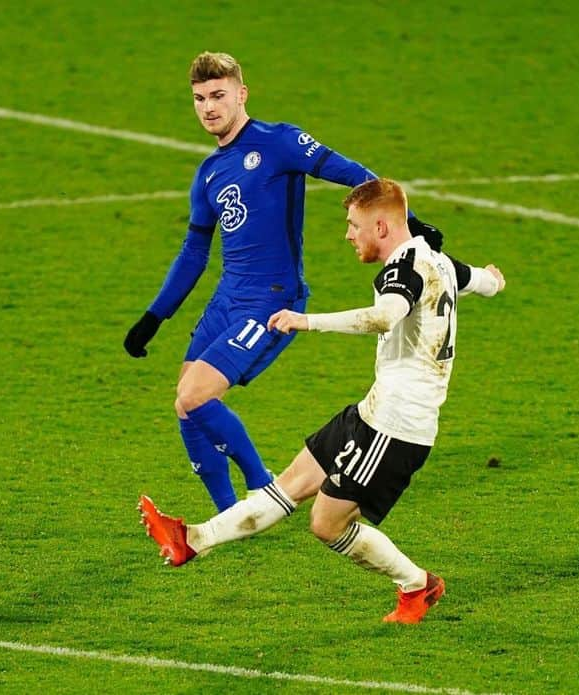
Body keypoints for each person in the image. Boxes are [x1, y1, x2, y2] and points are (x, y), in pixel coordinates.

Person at [139, 178, 505, 624]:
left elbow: (384, 316)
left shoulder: (401, 270)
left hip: (396, 427)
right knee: (290, 483)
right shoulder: (438, 261)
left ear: (383, 227)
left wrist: (305, 321)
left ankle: (417, 586)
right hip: (373, 411)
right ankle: (191, 539)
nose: (349, 235)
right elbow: (480, 281)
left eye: (355, 225)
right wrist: (493, 279)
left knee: (325, 524)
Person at [124, 51, 452, 512]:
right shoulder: (208, 174)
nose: (208, 107)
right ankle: (227, 512)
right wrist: (154, 317)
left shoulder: (278, 142)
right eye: (199, 99)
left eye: (218, 95)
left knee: (196, 396)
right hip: (227, 298)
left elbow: (354, 175)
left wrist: (411, 223)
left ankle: (262, 491)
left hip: (270, 298)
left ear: (242, 94)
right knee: (185, 406)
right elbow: (194, 251)